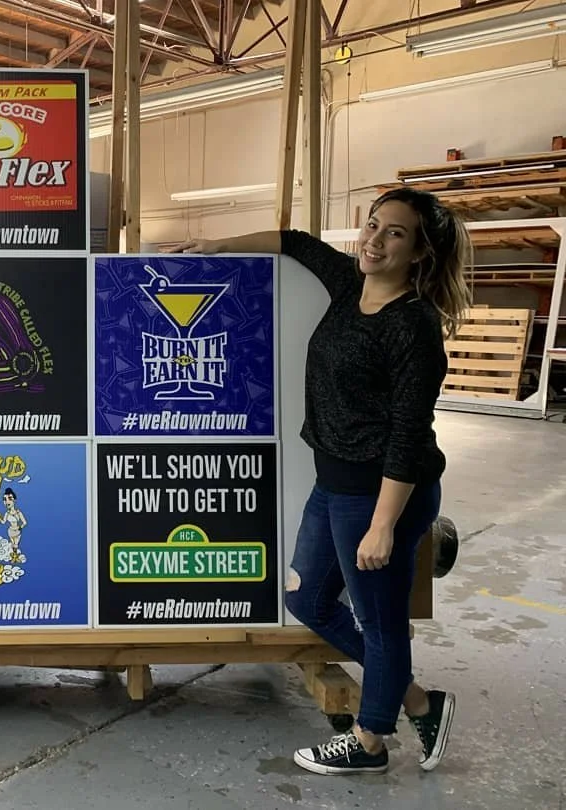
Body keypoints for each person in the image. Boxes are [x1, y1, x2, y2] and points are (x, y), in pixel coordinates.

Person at [171, 187, 470, 776]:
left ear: (419, 253)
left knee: (381, 623)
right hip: (333, 483)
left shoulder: (412, 326)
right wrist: (217, 246)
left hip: (380, 493)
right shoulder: (349, 283)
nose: (374, 240)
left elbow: (409, 436)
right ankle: (416, 701)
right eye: (373, 225)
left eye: (395, 233)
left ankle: (370, 741)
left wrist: (382, 526)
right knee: (305, 598)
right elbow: (295, 242)